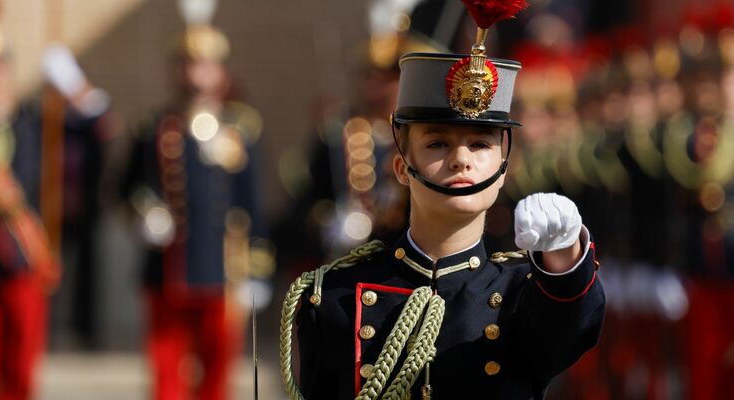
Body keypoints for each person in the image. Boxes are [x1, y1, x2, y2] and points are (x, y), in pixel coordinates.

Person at [279, 4, 606, 399]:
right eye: (437, 143)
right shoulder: (333, 295)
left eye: (481, 144)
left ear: (504, 167)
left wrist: (566, 258)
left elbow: (573, 328)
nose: (461, 159)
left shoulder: (524, 295)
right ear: (402, 167)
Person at [0, 16, 109, 400]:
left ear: (9, 71)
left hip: (24, 259)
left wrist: (74, 85)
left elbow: (98, 133)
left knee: (20, 370)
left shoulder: (34, 123)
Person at [119, 21, 271, 400]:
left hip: (225, 267)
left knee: (218, 372)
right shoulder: (152, 128)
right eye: (187, 63)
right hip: (168, 267)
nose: (195, 73)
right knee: (166, 371)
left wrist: (258, 266)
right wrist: (144, 213)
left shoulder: (241, 130)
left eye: (204, 64)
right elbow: (126, 188)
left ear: (219, 71)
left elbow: (251, 202)